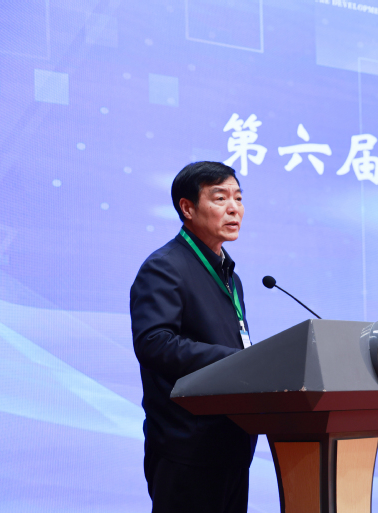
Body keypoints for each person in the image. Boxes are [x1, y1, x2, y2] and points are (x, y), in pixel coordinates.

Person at [130, 161, 256, 513]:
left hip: (232, 443)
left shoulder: (230, 275)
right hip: (187, 448)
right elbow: (154, 343)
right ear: (187, 208)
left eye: (238, 198)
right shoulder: (165, 266)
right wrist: (239, 361)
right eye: (220, 198)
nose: (234, 208)